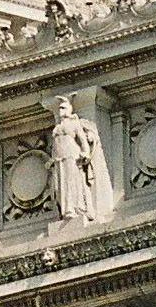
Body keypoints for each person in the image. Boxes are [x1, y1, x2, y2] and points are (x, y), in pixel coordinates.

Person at [49, 96, 115, 224]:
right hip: (59, 158)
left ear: (69, 109)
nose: (60, 111)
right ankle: (65, 209)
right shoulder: (57, 127)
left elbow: (83, 141)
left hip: (71, 155)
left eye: (63, 108)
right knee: (60, 184)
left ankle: (74, 208)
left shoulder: (74, 123)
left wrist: (85, 152)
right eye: (59, 108)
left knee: (72, 181)